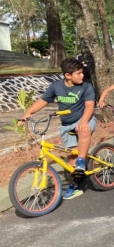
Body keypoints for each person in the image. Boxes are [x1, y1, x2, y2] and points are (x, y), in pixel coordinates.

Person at [20, 58, 97, 200]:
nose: (82, 76)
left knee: (83, 129)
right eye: (78, 73)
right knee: (71, 160)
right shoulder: (56, 86)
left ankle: (82, 161)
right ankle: (75, 186)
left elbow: (89, 106)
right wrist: (27, 114)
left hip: (84, 119)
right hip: (67, 124)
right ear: (68, 75)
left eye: (82, 72)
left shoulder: (86, 86)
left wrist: (84, 121)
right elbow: (43, 101)